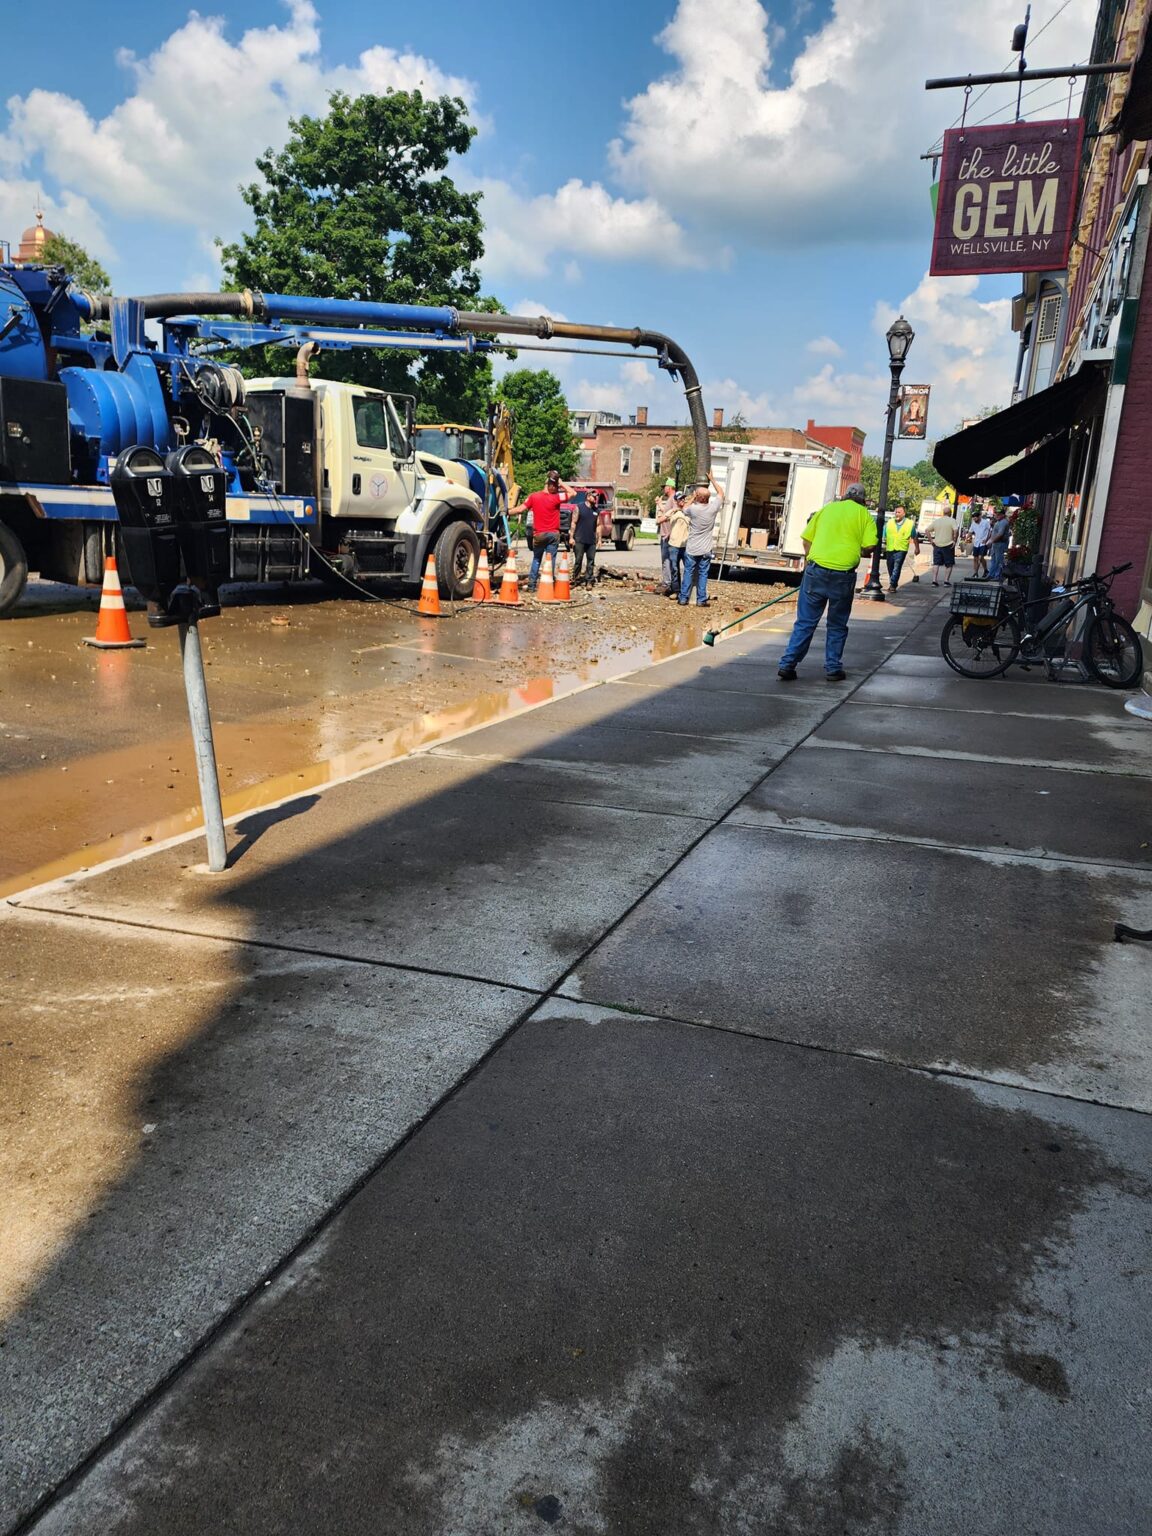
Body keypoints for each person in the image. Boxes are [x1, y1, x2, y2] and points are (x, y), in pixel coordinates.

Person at [777, 481, 877, 682]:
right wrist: (858, 549)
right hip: (843, 575)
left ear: (844, 496)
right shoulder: (864, 515)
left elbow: (806, 539)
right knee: (837, 624)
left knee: (805, 621)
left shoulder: (826, 509)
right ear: (862, 500)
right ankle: (833, 668)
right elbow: (870, 546)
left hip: (816, 571)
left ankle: (788, 664)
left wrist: (809, 562)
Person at [511, 470, 575, 593]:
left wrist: (507, 512)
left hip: (539, 534)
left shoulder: (533, 496)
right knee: (550, 559)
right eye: (555, 485)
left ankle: (531, 586)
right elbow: (573, 493)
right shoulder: (556, 498)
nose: (556, 488)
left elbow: (520, 509)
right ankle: (548, 585)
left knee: (536, 559)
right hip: (553, 534)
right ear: (550, 485)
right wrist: (561, 482)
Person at [678, 473, 725, 606]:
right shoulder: (713, 508)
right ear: (708, 499)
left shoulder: (693, 509)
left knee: (688, 573)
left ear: (698, 497)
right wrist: (712, 479)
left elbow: (684, 507)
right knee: (703, 574)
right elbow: (721, 493)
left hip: (692, 548)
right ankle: (701, 600)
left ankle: (683, 598)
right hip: (705, 549)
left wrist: (693, 497)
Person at [883, 505, 917, 591]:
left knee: (897, 567)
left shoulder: (909, 524)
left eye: (899, 512)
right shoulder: (889, 522)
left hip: (901, 549)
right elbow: (884, 534)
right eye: (896, 512)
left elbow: (914, 536)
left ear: (904, 513)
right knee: (890, 566)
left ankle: (892, 585)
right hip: (890, 548)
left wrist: (917, 548)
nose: (897, 514)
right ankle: (893, 582)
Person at [571, 491, 599, 587]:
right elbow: (573, 522)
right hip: (580, 538)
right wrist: (571, 537)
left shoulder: (596, 510)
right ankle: (575, 579)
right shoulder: (579, 507)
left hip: (591, 540)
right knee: (578, 560)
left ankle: (589, 581)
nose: (595, 499)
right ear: (588, 497)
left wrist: (599, 540)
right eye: (593, 497)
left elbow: (598, 526)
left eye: (596, 497)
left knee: (591, 561)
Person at [928, 504, 959, 587]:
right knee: (949, 564)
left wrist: (931, 540)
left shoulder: (937, 521)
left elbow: (927, 530)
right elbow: (956, 530)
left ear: (943, 513)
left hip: (937, 545)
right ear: (950, 513)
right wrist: (954, 540)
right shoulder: (952, 521)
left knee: (936, 563)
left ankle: (934, 581)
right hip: (948, 545)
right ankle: (946, 581)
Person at [655, 478, 677, 592]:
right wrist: (659, 504)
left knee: (666, 560)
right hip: (665, 534)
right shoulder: (669, 499)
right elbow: (667, 511)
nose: (663, 489)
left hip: (668, 535)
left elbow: (674, 512)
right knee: (666, 560)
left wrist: (669, 533)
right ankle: (668, 582)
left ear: (669, 487)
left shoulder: (673, 499)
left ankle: (667, 584)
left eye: (665, 486)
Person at [667, 492, 690, 598]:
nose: (682, 501)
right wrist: (674, 510)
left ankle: (686, 591)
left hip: (685, 545)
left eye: (684, 499)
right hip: (674, 545)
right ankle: (676, 590)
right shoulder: (674, 513)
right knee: (675, 569)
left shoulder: (688, 511)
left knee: (688, 568)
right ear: (676, 501)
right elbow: (664, 517)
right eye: (680, 499)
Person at [987, 505, 1012, 581]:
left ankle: (998, 576)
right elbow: (995, 533)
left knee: (999, 560)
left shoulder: (1003, 522)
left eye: (998, 514)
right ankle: (991, 574)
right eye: (996, 514)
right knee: (994, 560)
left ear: (1003, 515)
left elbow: (1000, 534)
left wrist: (991, 540)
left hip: (1000, 543)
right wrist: (989, 540)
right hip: (996, 544)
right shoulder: (999, 522)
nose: (996, 515)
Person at [969, 506, 991, 578]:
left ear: (979, 517)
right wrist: (967, 538)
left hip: (983, 542)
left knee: (981, 557)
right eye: (973, 517)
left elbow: (990, 531)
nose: (974, 518)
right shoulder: (973, 524)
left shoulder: (985, 522)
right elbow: (970, 532)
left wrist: (987, 540)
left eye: (975, 517)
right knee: (975, 558)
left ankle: (982, 571)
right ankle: (976, 572)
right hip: (976, 543)